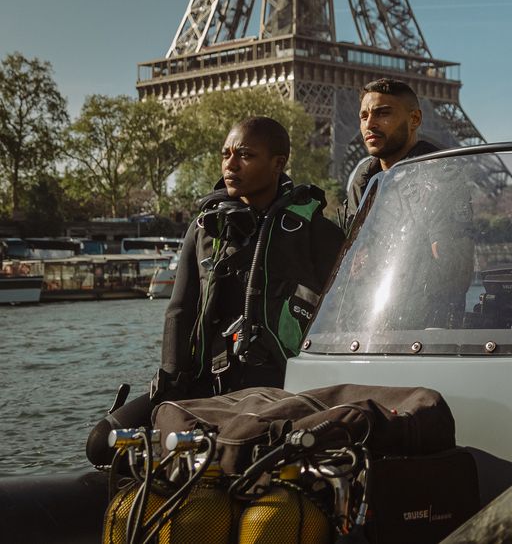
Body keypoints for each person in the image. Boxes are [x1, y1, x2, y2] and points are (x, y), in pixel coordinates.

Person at [85, 117, 344, 466]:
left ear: (278, 163)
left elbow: (342, 313)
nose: (230, 164)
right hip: (208, 381)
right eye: (226, 154)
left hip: (279, 382)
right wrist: (170, 382)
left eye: (246, 155)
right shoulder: (205, 228)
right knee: (101, 443)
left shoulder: (313, 230)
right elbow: (179, 309)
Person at [345, 78, 440, 218]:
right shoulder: (363, 177)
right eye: (364, 117)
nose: (369, 124)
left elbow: (445, 240)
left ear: (414, 119)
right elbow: (353, 239)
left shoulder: (439, 173)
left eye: (383, 113)